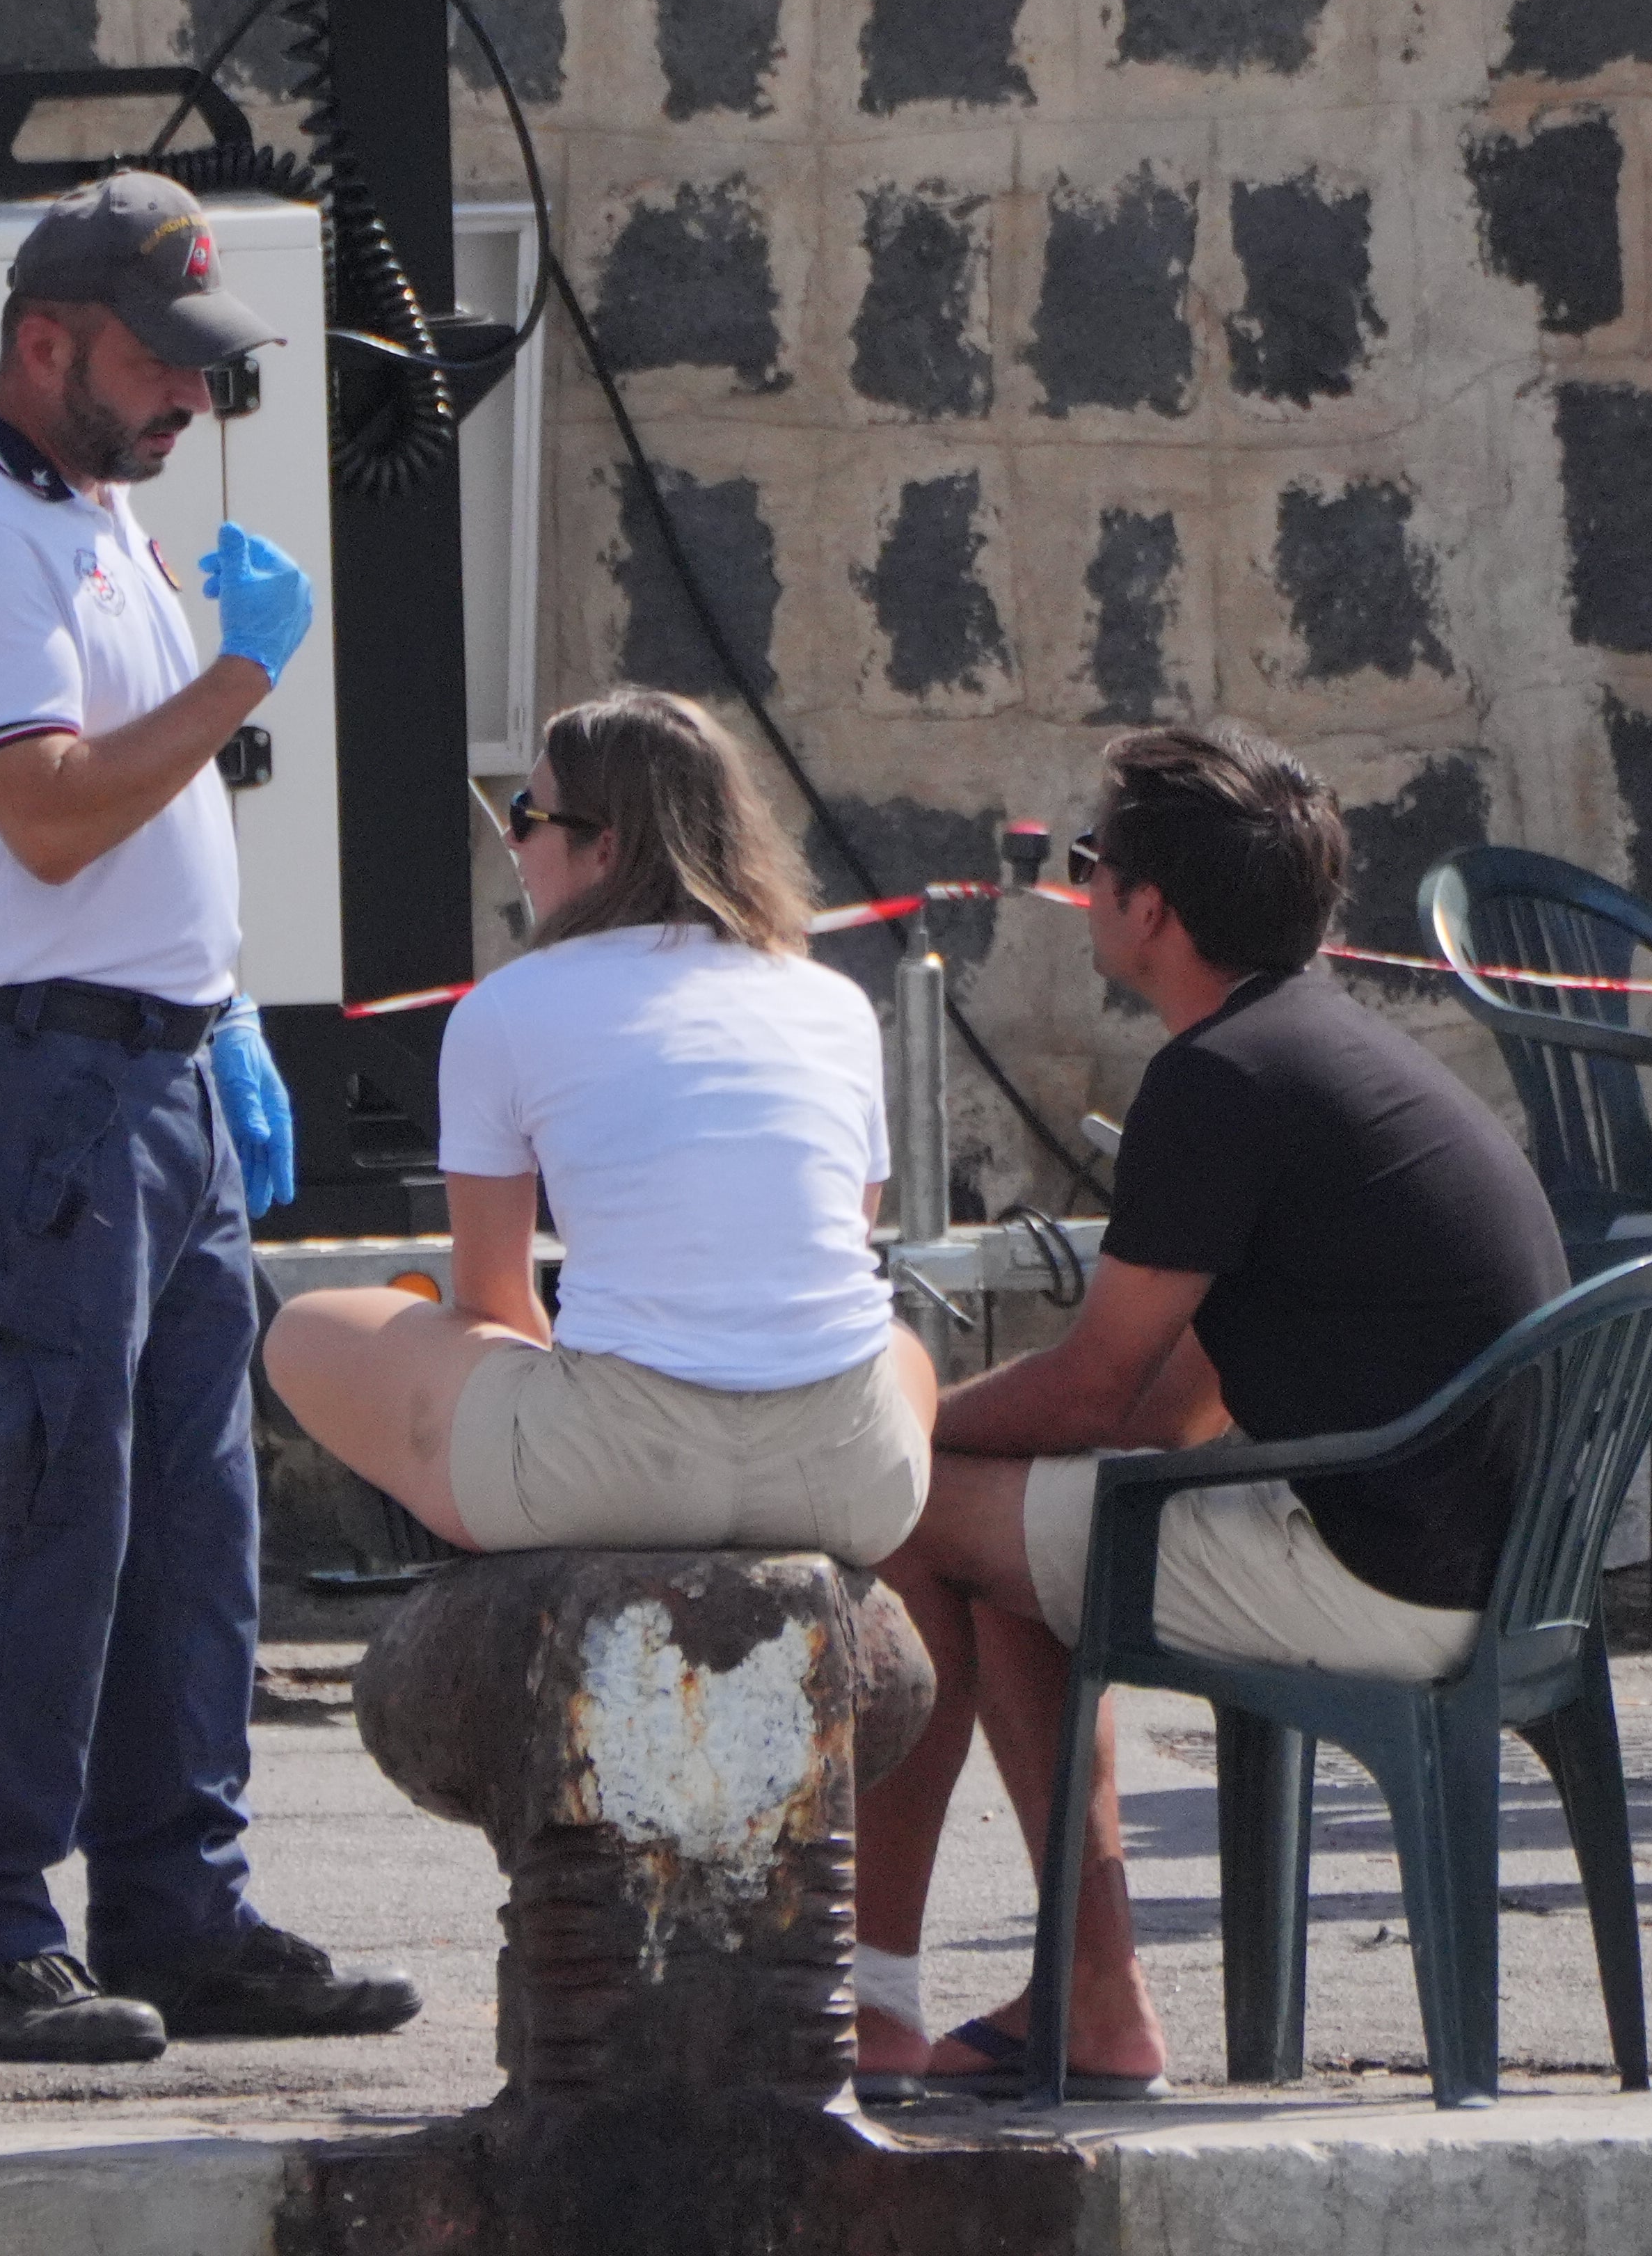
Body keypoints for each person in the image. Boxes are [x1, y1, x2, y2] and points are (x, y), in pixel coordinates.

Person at [0, 170, 420, 2060]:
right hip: (34, 1077)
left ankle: (176, 1909)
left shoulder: (93, 515)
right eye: (158, 367)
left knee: (185, 1527)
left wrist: (223, 1017)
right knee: (29, 1518)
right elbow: (53, 811)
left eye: (199, 371)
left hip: (149, 1068)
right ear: (45, 345)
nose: (187, 403)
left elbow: (142, 818)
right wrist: (244, 674)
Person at [848, 726, 1566, 2099]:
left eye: (1088, 866)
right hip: (1480, 1558)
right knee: (1023, 1548)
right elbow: (1172, 1403)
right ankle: (1095, 1997)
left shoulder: (1218, 1079)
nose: (1081, 892)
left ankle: (878, 2001)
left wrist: (901, 1437)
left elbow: (1096, 1386)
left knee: (923, 1521)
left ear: (1151, 908)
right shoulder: (1320, 1050)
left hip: (1387, 1572)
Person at [264, 688, 937, 1567]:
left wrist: (559, 1392)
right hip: (851, 1477)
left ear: (605, 850)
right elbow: (830, 1248)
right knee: (899, 1344)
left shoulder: (506, 1009)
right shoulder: (835, 1002)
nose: (510, 840)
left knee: (304, 1329)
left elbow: (493, 1298)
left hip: (616, 1471)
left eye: (527, 815)